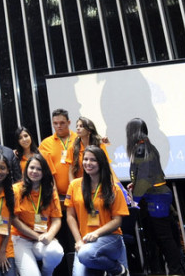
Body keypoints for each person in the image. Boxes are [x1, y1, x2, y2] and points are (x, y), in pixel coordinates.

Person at [126, 118, 185, 274]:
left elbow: (145, 179)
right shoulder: (147, 147)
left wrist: (135, 201)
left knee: (163, 237)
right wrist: (136, 183)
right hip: (155, 197)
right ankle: (169, 271)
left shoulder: (141, 149)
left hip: (155, 198)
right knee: (158, 238)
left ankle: (175, 271)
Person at [65, 146, 129, 276]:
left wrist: (97, 233)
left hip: (110, 239)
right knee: (84, 256)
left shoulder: (113, 189)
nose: (88, 163)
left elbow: (117, 221)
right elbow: (70, 216)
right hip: (85, 243)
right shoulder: (74, 185)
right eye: (86, 159)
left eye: (93, 160)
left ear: (101, 163)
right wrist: (78, 241)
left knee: (85, 254)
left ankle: (117, 269)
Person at [12, 154, 64, 276]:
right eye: (32, 168)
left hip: (43, 240)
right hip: (21, 240)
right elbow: (14, 220)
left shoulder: (50, 191)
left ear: (44, 172)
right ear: (26, 170)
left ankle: (47, 273)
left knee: (56, 251)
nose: (34, 171)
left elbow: (57, 220)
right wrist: (37, 236)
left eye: (39, 169)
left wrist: (50, 235)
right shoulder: (15, 190)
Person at [39, 108, 75, 251]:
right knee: (61, 236)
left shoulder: (79, 139)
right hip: (56, 196)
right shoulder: (46, 143)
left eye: (62, 123)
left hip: (78, 194)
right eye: (55, 123)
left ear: (69, 122)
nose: (59, 126)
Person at [67, 117, 110, 183]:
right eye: (77, 126)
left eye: (81, 126)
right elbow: (70, 172)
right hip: (80, 185)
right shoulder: (72, 148)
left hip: (99, 183)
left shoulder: (99, 146)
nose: (78, 128)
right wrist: (73, 187)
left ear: (89, 131)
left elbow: (106, 167)